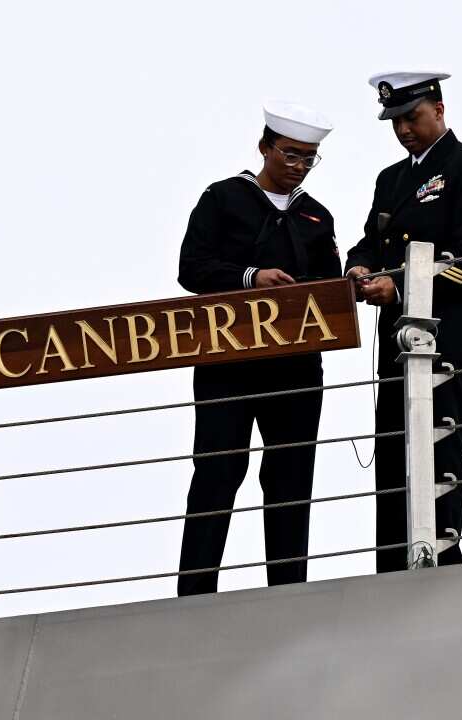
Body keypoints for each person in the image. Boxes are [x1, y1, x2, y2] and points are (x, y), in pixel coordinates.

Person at [176, 101, 343, 596]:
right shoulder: (224, 199)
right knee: (218, 469)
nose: (298, 165)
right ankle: (196, 591)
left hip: (294, 366)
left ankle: (288, 589)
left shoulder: (316, 216)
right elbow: (193, 268)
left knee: (291, 475)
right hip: (228, 362)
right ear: (265, 147)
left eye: (308, 158)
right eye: (290, 154)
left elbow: (329, 287)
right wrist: (251, 279)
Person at [345, 72, 462, 572]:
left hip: (446, 335)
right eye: (395, 121)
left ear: (438, 107)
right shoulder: (390, 180)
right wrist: (359, 268)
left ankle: (443, 554)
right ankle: (391, 564)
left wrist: (408, 286)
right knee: (392, 446)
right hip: (395, 338)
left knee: (441, 439)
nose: (404, 130)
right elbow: (371, 240)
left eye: (411, 117)